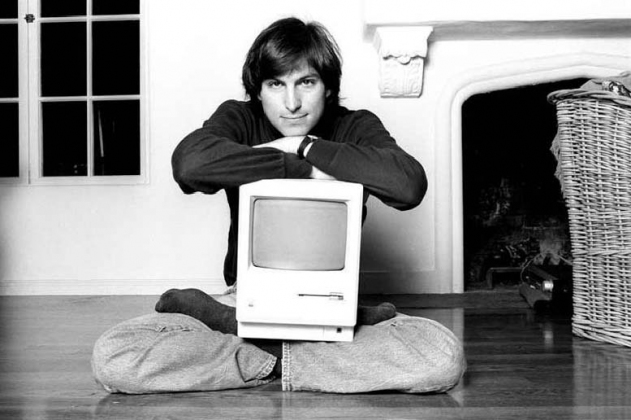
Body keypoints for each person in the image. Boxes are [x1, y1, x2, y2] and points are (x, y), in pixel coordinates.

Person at [91, 17, 466, 394]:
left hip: (329, 303)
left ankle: (255, 354)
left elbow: (408, 185)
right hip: (244, 298)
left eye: (306, 82)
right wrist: (299, 164)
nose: (292, 103)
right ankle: (303, 352)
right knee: (114, 356)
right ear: (258, 91)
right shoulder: (240, 118)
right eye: (275, 84)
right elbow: (190, 165)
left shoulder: (354, 126)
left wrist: (305, 145)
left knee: (442, 358)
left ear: (328, 87)